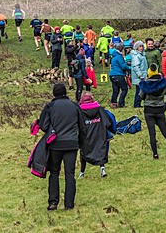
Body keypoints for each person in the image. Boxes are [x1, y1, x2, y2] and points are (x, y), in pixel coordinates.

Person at [37, 82, 85, 211]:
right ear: (65, 92)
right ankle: (69, 204)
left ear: (54, 93)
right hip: (71, 144)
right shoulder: (75, 106)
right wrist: (80, 143)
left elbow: (43, 126)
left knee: (54, 173)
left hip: (55, 145)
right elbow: (82, 127)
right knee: (70, 174)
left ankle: (53, 202)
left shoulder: (50, 107)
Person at [139, 64, 166, 160]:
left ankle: (155, 155)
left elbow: (141, 96)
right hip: (160, 110)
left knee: (152, 133)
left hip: (148, 110)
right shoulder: (163, 84)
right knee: (165, 132)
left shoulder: (145, 85)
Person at [77, 92, 113, 179]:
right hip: (99, 135)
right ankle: (102, 169)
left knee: (84, 153)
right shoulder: (100, 109)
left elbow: (77, 124)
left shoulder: (79, 111)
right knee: (100, 151)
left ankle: (82, 172)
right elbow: (108, 122)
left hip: (86, 137)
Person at [109, 44, 128, 108]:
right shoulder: (119, 57)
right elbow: (123, 66)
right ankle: (121, 103)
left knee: (115, 90)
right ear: (122, 50)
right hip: (118, 75)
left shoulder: (113, 57)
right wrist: (128, 66)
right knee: (124, 89)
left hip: (112, 75)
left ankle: (113, 103)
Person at [130, 41, 148, 108]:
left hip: (142, 76)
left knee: (141, 91)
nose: (141, 48)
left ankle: (138, 103)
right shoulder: (136, 56)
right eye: (140, 46)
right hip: (139, 77)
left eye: (142, 46)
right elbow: (136, 67)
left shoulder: (141, 55)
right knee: (139, 91)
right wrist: (140, 75)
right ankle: (136, 104)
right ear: (136, 47)